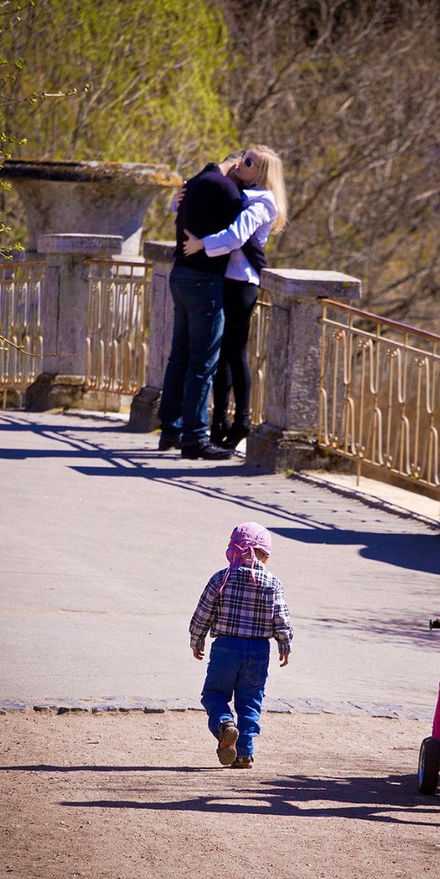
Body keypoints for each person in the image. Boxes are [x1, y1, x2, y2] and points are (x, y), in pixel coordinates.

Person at [183, 145, 288, 450]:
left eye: (250, 161)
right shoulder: (236, 190)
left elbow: (236, 236)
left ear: (262, 173)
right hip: (221, 279)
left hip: (241, 283)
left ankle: (242, 419)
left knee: (234, 352)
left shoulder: (263, 201)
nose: (241, 163)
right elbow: (203, 209)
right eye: (243, 157)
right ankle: (218, 421)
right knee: (218, 353)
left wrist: (202, 244)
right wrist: (179, 202)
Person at [157, 154, 246, 460]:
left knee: (179, 357)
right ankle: (194, 438)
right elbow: (239, 233)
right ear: (235, 166)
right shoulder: (226, 189)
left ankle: (170, 429)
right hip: (204, 281)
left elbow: (180, 212)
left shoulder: (194, 182)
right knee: (202, 363)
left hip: (179, 274)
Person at [189, 521, 293, 768]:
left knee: (214, 694)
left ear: (233, 550)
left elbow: (203, 612)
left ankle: (225, 724)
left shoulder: (221, 578)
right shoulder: (272, 583)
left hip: (225, 646)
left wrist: (197, 639)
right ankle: (244, 754)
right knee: (250, 700)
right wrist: (285, 645)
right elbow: (281, 617)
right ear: (264, 553)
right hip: (258, 650)